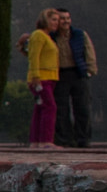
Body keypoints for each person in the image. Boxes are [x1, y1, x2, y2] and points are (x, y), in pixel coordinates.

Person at [53, 8, 98, 148]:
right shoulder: (51, 37)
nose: (66, 21)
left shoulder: (79, 35)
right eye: (62, 18)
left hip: (78, 73)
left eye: (68, 18)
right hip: (59, 74)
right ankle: (65, 139)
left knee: (83, 108)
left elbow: (89, 52)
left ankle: (83, 138)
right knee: (61, 110)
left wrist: (90, 71)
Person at [21, 8, 61, 149]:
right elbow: (34, 56)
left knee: (40, 108)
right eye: (54, 19)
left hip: (49, 77)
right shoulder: (39, 35)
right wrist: (36, 76)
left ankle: (36, 141)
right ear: (45, 19)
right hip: (41, 78)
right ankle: (45, 140)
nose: (57, 23)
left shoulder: (46, 36)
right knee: (50, 107)